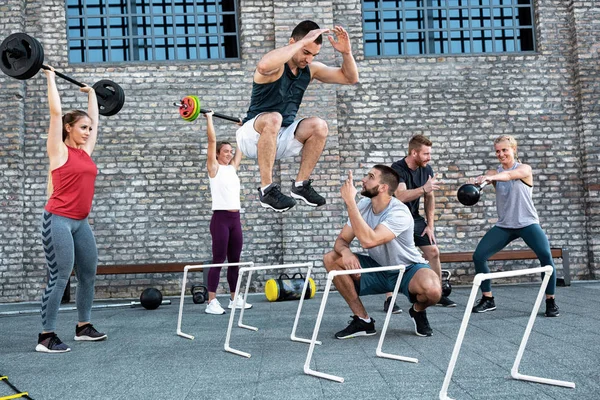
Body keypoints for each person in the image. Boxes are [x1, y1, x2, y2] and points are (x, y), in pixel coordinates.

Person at [236, 20, 359, 212]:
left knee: (319, 125)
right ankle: (266, 190)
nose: (309, 59)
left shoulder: (310, 69)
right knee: (274, 118)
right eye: (306, 52)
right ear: (293, 42)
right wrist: (299, 44)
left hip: (282, 138)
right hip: (253, 136)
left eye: (314, 55)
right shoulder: (276, 68)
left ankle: (300, 185)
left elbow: (350, 78)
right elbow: (263, 65)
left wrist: (346, 53)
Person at [323, 166, 442, 338]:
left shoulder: (399, 212)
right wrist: (346, 252)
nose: (364, 179)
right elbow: (341, 241)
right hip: (378, 268)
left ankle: (417, 311)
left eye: (370, 177)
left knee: (433, 290)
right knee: (331, 259)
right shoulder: (363, 206)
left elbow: (369, 240)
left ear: (383, 187)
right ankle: (362, 320)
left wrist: (350, 202)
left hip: (407, 269)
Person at [36, 66, 106, 353]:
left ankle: (83, 327)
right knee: (60, 276)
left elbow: (98, 122)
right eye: (83, 127)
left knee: (89, 272)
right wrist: (50, 78)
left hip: (81, 223)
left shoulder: (84, 152)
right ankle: (46, 336)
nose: (88, 132)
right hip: (58, 221)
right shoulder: (59, 151)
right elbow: (55, 114)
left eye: (89, 129)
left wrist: (92, 95)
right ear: (69, 128)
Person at [470, 135, 560, 317]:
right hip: (505, 225)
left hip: (527, 223)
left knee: (546, 257)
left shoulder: (524, 169)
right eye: (497, 151)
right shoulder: (494, 174)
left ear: (513, 149)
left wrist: (491, 177)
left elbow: (509, 175)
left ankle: (550, 301)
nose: (501, 154)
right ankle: (488, 299)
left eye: (504, 150)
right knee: (479, 256)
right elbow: (489, 178)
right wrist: (479, 181)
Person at [389, 135, 457, 312]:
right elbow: (401, 195)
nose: (429, 157)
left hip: (414, 218)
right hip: (393, 219)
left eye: (429, 153)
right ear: (414, 152)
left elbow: (429, 198)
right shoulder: (396, 170)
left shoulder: (427, 169)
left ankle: (438, 292)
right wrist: (423, 189)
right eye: (426, 154)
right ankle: (390, 299)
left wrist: (430, 225)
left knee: (433, 251)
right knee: (391, 257)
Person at [203, 111, 252, 315]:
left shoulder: (232, 168)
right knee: (218, 259)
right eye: (225, 151)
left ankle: (234, 298)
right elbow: (212, 140)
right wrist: (209, 118)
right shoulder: (213, 168)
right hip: (221, 219)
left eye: (230, 151)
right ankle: (212, 302)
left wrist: (241, 129)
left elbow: (241, 147)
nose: (230, 154)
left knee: (235, 260)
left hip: (235, 219)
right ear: (217, 154)